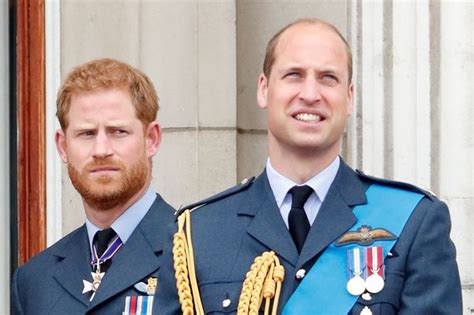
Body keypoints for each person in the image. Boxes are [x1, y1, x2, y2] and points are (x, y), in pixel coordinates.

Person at [156, 18, 462, 314]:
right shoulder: (199, 233)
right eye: (294, 75)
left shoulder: (414, 222)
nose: (310, 94)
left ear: (349, 96)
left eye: (328, 78)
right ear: (264, 89)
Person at [11, 58, 175, 314]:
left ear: (151, 139)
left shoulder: (194, 255)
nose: (101, 150)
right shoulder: (34, 281)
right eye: (86, 133)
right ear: (63, 146)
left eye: (118, 131)